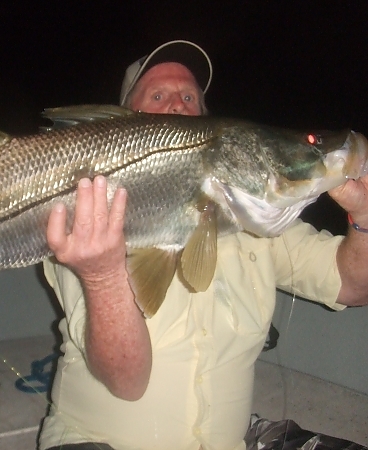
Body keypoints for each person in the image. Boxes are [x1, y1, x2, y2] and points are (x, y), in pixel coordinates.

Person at [39, 40, 368, 450]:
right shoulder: (84, 214)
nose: (178, 103)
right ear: (124, 121)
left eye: (190, 95)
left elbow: (352, 284)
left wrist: (365, 216)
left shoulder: (257, 221)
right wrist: (102, 275)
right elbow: (125, 381)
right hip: (94, 440)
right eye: (158, 95)